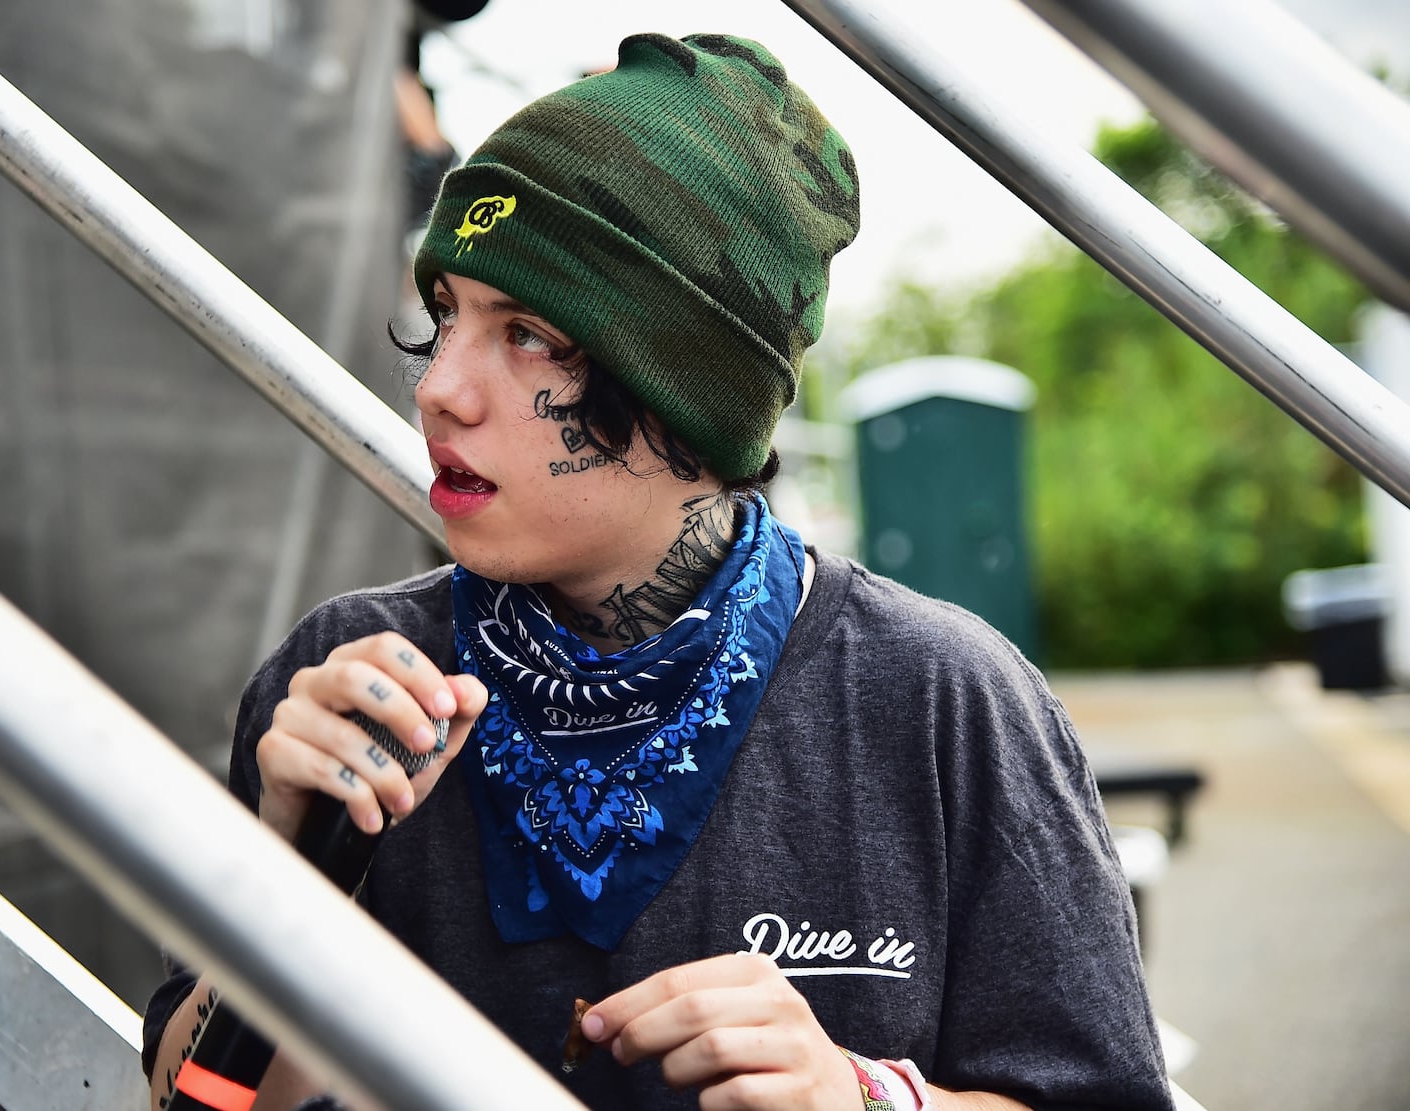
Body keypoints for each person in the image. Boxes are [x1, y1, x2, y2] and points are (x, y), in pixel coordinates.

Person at [144, 32, 1174, 1111]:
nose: (439, 386)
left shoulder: (940, 700)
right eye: (445, 313)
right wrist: (289, 879)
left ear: (688, 385)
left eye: (529, 332)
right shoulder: (349, 679)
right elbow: (192, 1101)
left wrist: (865, 1098)